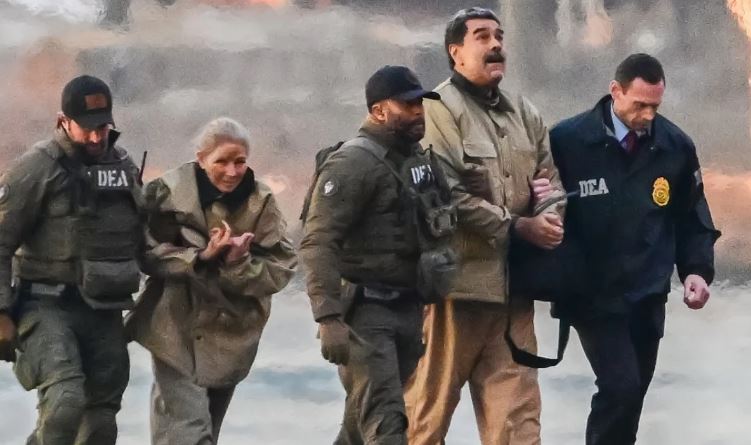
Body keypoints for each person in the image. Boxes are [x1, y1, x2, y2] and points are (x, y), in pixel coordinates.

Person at [403, 7, 565, 445]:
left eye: (499, 36)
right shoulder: (438, 110)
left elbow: (551, 181)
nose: (495, 45)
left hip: (514, 294)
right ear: (455, 52)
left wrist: (549, 217)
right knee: (425, 419)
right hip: (455, 292)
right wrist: (518, 227)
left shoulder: (524, 113)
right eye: (481, 37)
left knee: (518, 428)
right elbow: (445, 194)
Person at [549, 53, 720, 445]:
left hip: (647, 292)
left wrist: (696, 271)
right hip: (591, 293)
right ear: (616, 91)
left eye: (655, 107)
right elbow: (541, 208)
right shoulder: (568, 141)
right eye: (640, 105)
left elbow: (692, 216)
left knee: (633, 395)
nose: (648, 115)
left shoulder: (675, 146)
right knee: (620, 387)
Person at [299, 65, 456, 445]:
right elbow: (319, 241)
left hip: (408, 308)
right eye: (407, 105)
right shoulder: (354, 163)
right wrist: (328, 316)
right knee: (386, 425)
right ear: (379, 110)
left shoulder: (417, 160)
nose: (418, 112)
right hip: (366, 314)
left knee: (359, 428)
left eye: (420, 104)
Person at [126, 116, 297, 445]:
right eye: (222, 161)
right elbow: (145, 252)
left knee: (206, 430)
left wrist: (237, 263)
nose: (232, 171)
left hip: (231, 332)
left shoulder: (261, 202)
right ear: (201, 158)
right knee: (187, 432)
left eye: (240, 162)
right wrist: (200, 256)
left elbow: (281, 267)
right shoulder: (167, 193)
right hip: (176, 328)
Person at [0, 75, 143, 445]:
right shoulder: (37, 168)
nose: (96, 137)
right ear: (63, 121)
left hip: (103, 307)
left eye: (103, 127)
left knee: (101, 424)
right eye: (87, 128)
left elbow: (142, 236)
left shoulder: (123, 167)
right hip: (44, 304)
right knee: (64, 402)